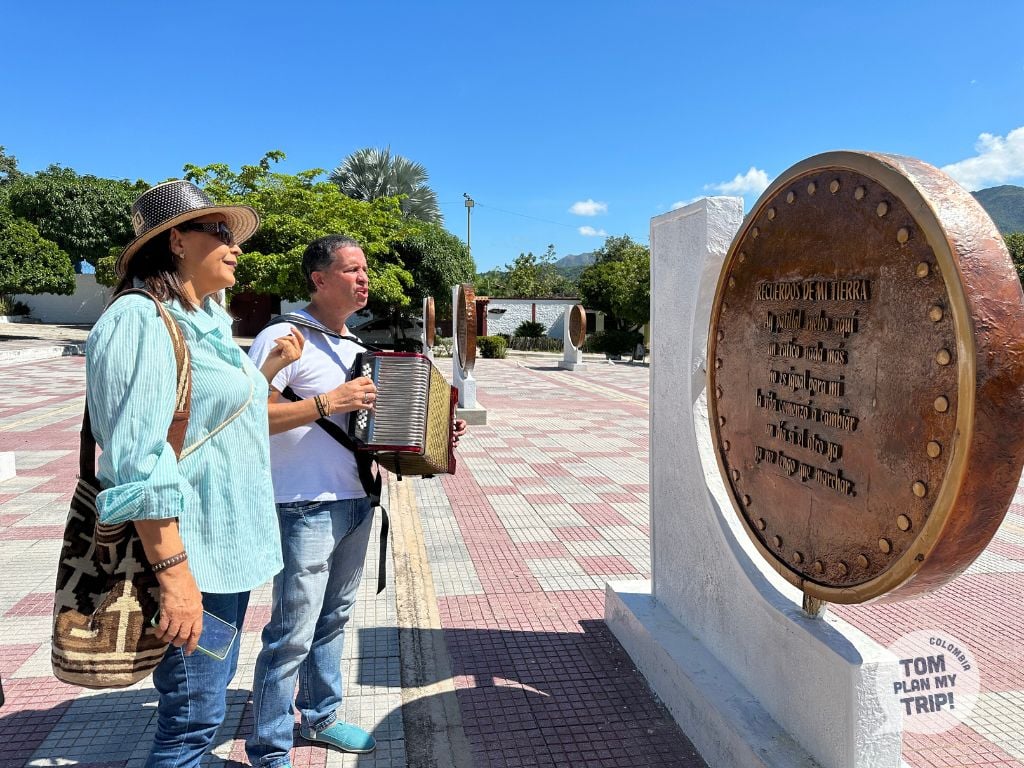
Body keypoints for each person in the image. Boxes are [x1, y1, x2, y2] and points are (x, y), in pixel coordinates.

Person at [85, 180, 292, 768]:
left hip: (227, 551)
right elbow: (138, 463)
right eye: (220, 233)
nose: (236, 247)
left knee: (204, 710)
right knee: (191, 723)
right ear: (177, 241)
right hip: (188, 556)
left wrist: (268, 371)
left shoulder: (206, 320)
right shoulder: (140, 321)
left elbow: (230, 419)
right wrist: (176, 580)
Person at [246, 235, 465, 766]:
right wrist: (328, 401)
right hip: (301, 504)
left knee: (334, 618)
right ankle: (270, 748)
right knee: (290, 632)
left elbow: (373, 435)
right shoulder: (284, 336)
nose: (364, 277)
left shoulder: (355, 348)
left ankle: (320, 717)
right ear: (319, 280)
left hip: (357, 500)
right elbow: (247, 415)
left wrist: (433, 437)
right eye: (352, 269)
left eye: (365, 269)